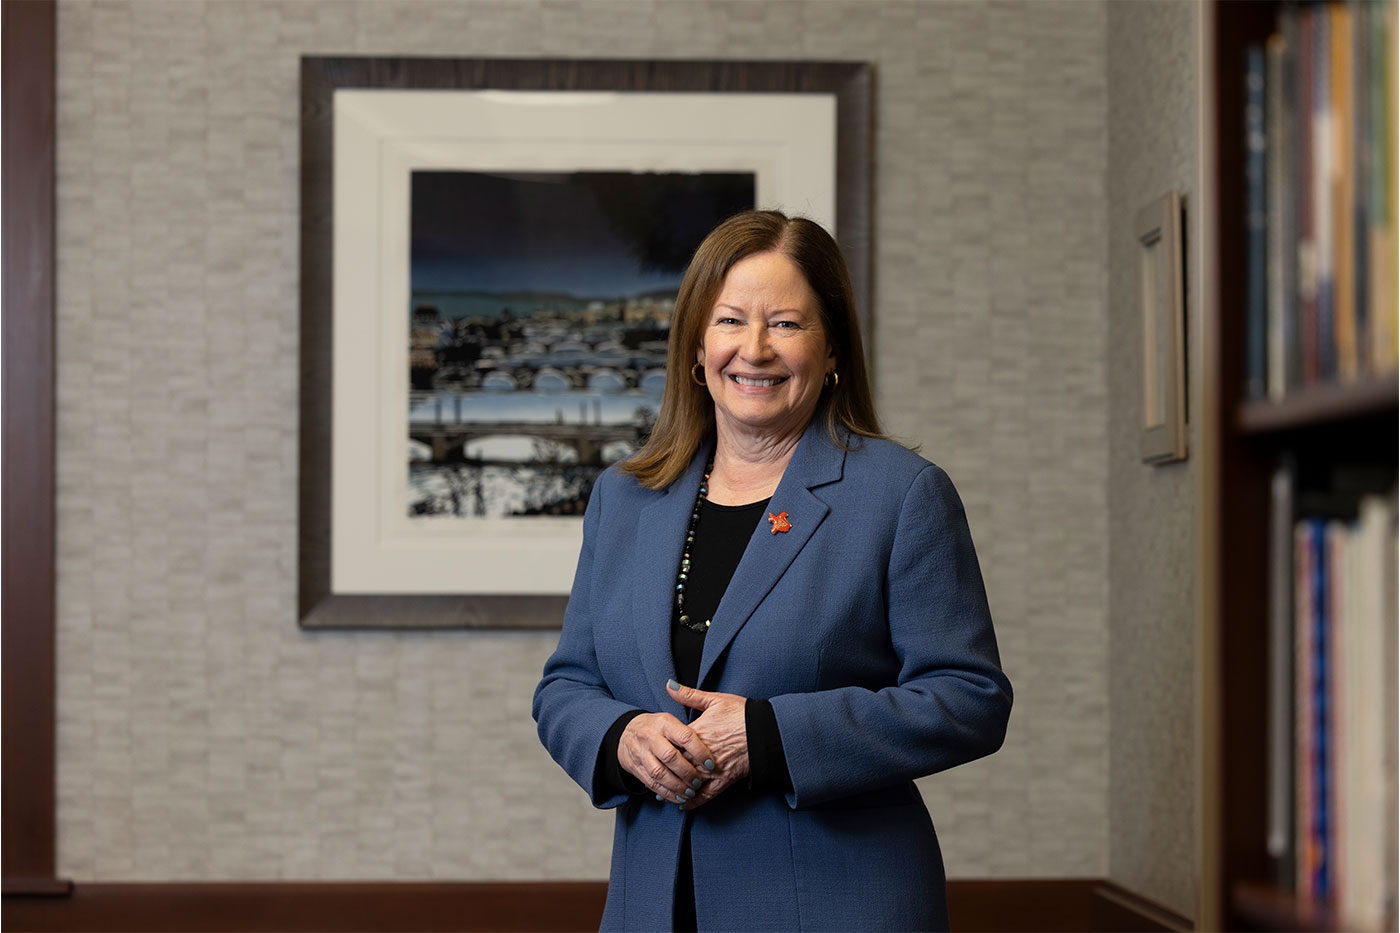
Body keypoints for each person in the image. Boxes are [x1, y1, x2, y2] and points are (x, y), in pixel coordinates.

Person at [532, 209, 1012, 932]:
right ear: (697, 345)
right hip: (654, 904)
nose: (754, 349)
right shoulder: (626, 498)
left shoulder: (900, 493)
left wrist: (772, 735)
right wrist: (618, 736)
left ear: (832, 348)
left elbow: (970, 697)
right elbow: (566, 684)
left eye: (786, 324)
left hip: (840, 905)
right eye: (730, 320)